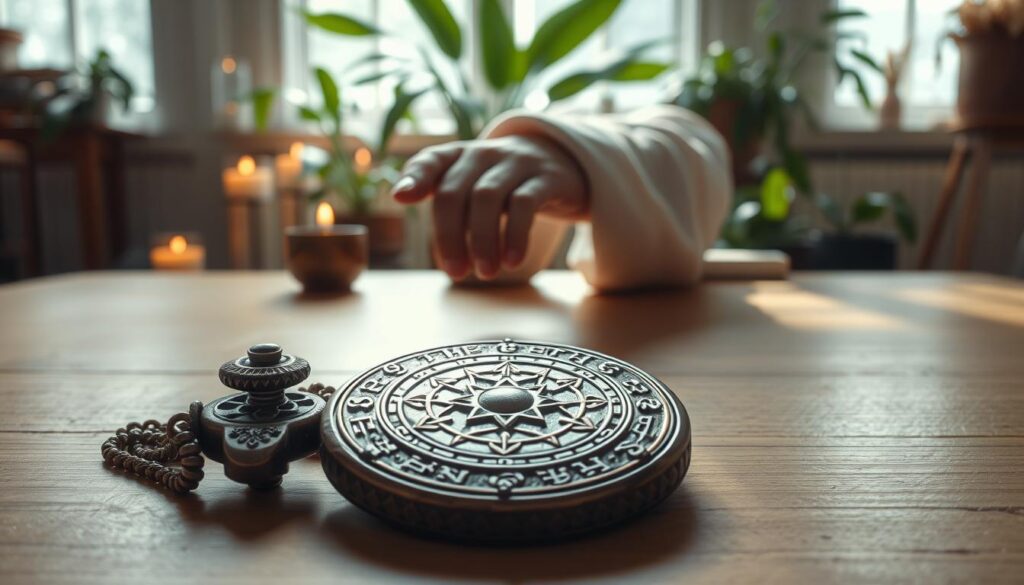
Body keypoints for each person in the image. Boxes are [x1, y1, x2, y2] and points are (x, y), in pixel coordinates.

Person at [390, 105, 732, 292]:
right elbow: (485, 278)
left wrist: (584, 162)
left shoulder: (668, 119)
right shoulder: (567, 117)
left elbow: (703, 149)